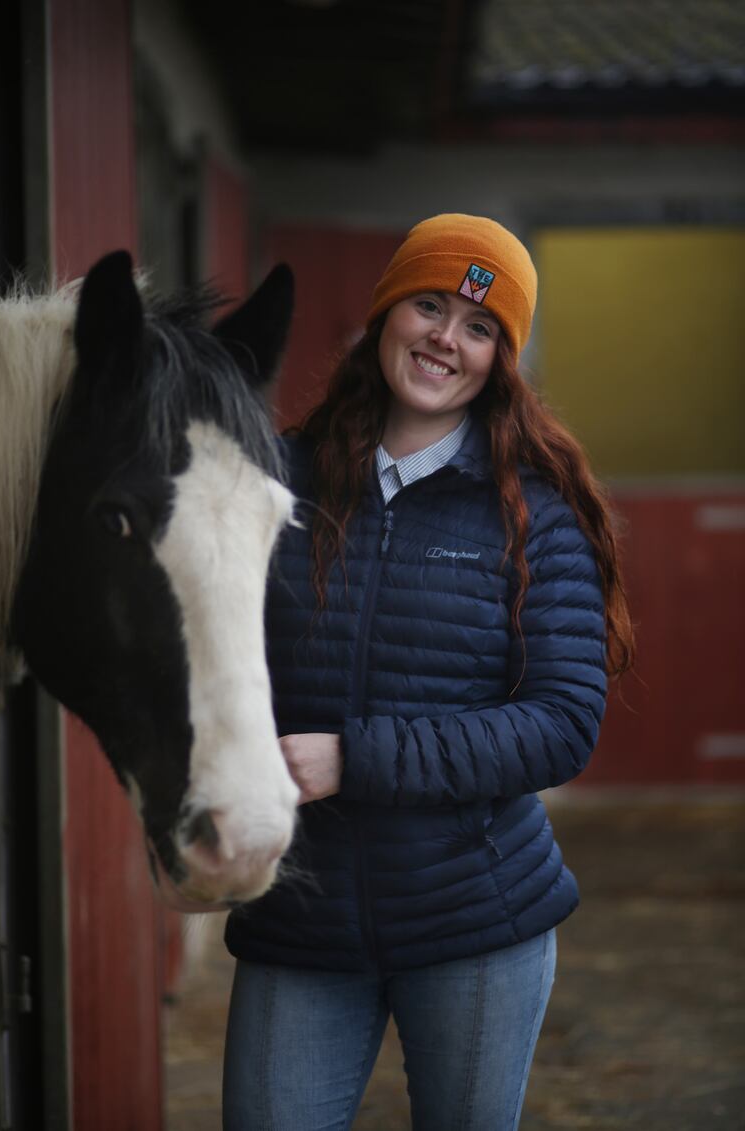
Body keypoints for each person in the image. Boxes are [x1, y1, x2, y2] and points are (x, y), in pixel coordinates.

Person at [222, 213, 634, 1130]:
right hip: (302, 916)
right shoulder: (276, 483)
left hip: (475, 924)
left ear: (501, 359)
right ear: (386, 313)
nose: (447, 338)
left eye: (480, 326)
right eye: (430, 306)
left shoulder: (535, 513)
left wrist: (353, 757)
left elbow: (563, 723)